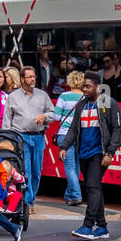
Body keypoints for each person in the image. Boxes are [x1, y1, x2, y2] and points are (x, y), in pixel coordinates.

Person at [61, 72, 121, 240]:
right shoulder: (81, 105)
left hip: (99, 153)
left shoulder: (107, 102)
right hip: (83, 153)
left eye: (88, 86)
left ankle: (88, 226)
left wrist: (109, 153)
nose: (84, 89)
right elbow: (74, 129)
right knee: (94, 188)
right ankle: (102, 227)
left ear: (98, 86)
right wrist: (64, 146)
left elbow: (118, 129)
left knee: (92, 187)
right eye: (83, 86)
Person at [2, 65, 56, 209]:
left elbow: (53, 114)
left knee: (37, 172)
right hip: (21, 138)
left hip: (38, 138)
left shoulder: (42, 95)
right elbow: (7, 120)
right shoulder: (13, 97)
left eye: (34, 77)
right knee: (26, 171)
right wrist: (7, 140)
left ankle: (30, 200)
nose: (33, 79)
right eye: (29, 77)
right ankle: (27, 203)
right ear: (22, 79)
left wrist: (45, 116)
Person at [53, 70, 86, 207]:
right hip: (80, 135)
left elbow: (56, 117)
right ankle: (69, 194)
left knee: (70, 166)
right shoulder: (86, 97)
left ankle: (76, 195)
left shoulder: (64, 96)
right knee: (76, 166)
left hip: (65, 134)